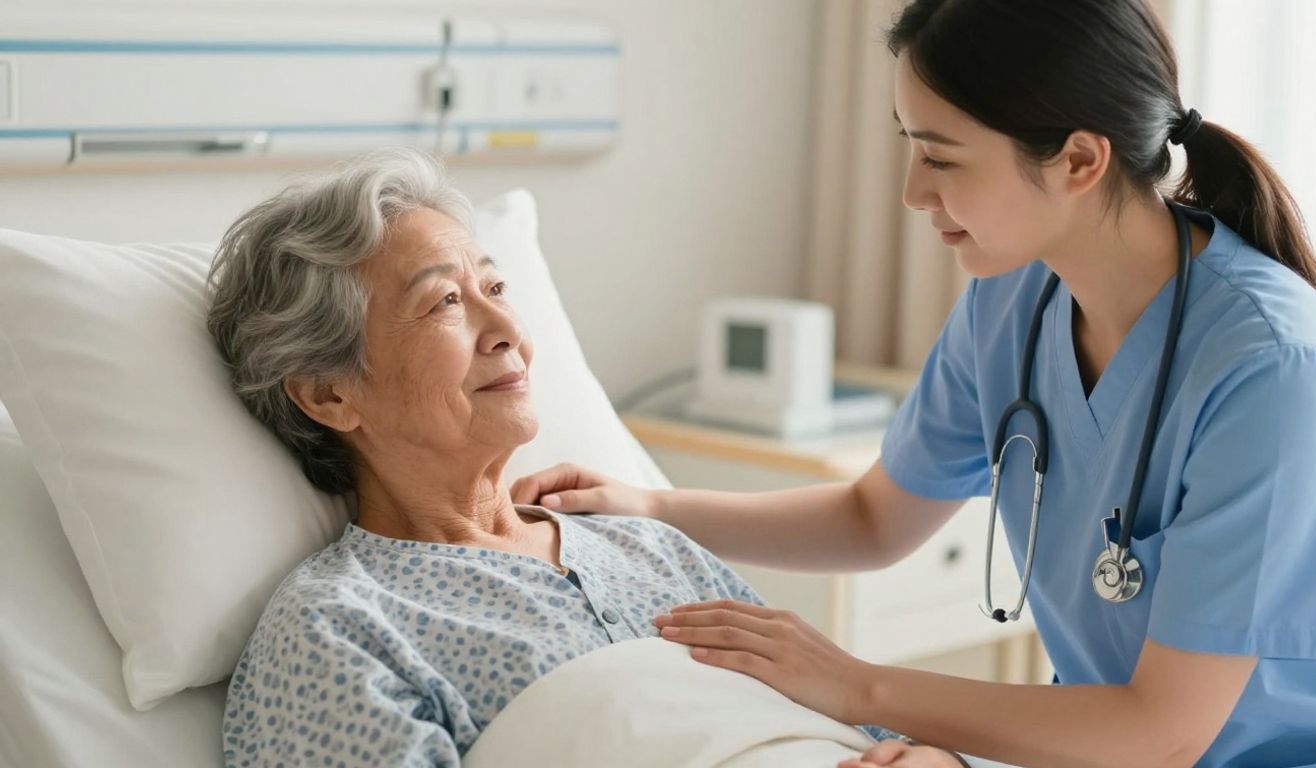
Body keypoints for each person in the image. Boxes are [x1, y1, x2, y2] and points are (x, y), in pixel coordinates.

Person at [511, 1, 1316, 765]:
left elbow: (1162, 734)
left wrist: (857, 687)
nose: (915, 193)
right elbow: (874, 518)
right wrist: (655, 510)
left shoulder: (1272, 369)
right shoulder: (1014, 298)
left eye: (943, 158)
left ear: (1078, 161)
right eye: (909, 149)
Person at [206, 149, 920, 766]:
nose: (507, 330)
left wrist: (933, 757)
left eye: (495, 288)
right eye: (446, 302)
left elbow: (860, 718)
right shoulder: (338, 631)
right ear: (329, 395)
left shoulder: (651, 550)